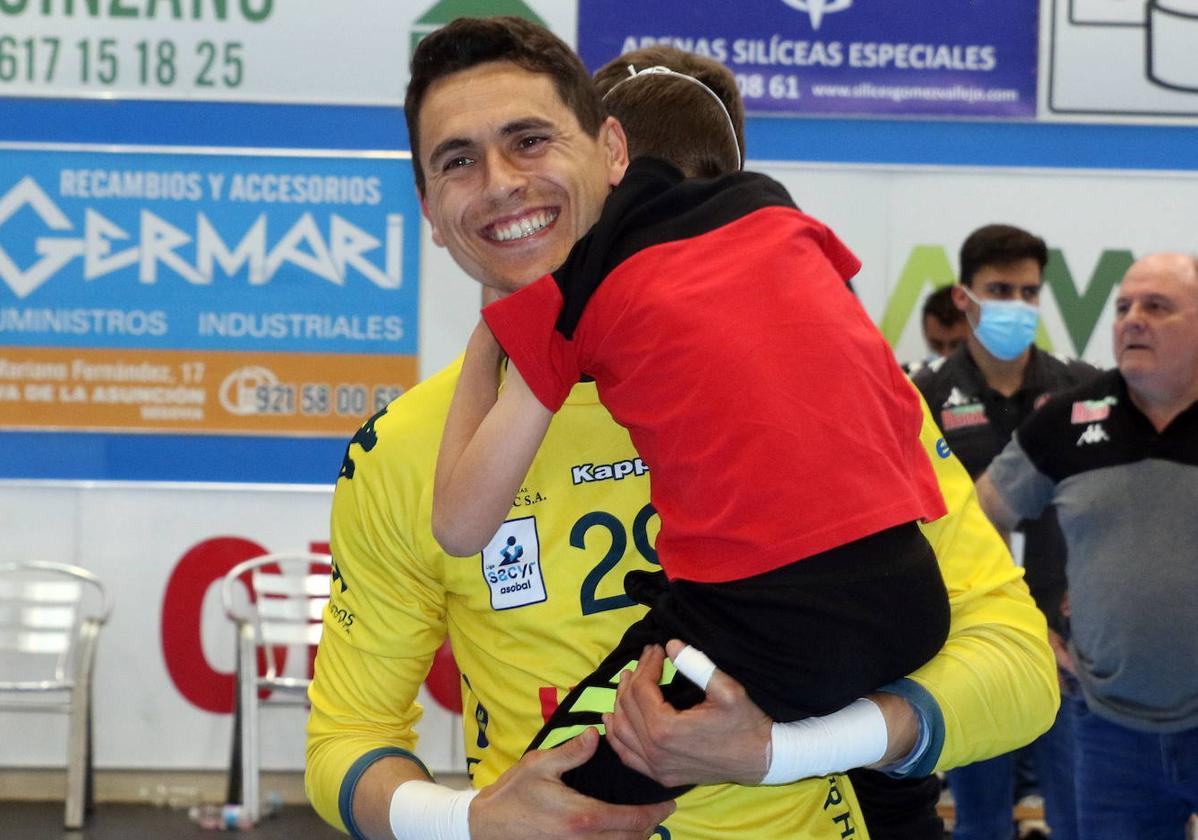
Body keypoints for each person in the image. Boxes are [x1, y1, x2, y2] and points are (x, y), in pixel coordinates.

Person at [306, 17, 1057, 840]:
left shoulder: (829, 374)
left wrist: (784, 749)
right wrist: (468, 822)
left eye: (530, 140)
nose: (500, 183)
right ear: (429, 206)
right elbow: (348, 740)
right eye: (458, 160)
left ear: (609, 151)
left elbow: (1019, 668)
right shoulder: (404, 448)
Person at [434, 44, 956, 807]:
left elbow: (458, 524)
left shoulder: (580, 282)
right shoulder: (799, 235)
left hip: (764, 623)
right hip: (915, 599)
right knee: (883, 792)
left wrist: (497, 325)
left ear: (603, 160)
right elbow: (892, 417)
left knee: (545, 802)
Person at [977, 251, 1198, 840]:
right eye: (1123, 306)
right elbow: (981, 517)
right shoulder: (1070, 420)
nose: (1132, 319)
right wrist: (1027, 626)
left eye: (1157, 306)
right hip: (1109, 727)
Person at [912, 224, 1096, 840]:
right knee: (981, 820)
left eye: (1028, 292)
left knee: (1079, 819)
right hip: (970, 644)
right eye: (999, 289)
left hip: (1069, 649)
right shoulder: (923, 394)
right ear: (964, 297)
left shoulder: (1082, 390)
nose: (1017, 305)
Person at [918, 285, 970, 366]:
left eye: (957, 346)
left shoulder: (995, 376)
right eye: (936, 345)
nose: (946, 356)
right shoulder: (914, 376)